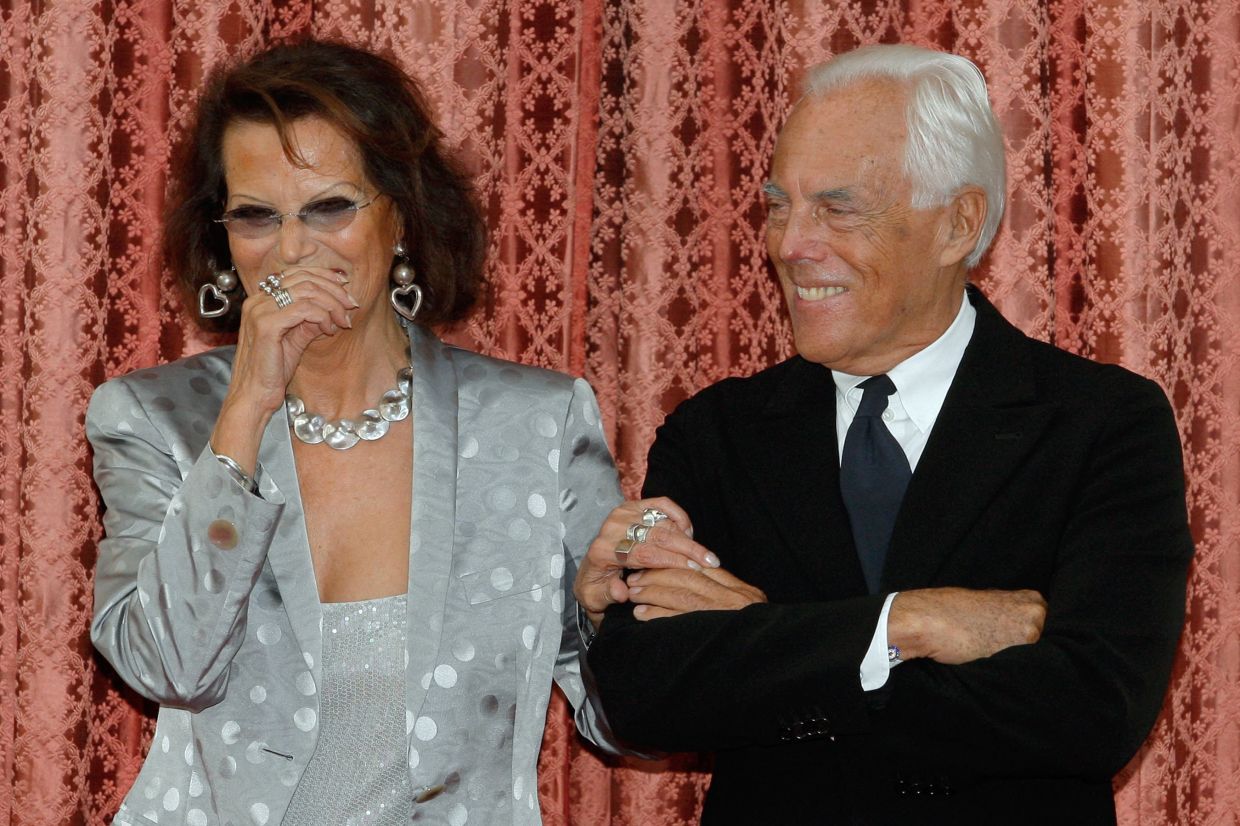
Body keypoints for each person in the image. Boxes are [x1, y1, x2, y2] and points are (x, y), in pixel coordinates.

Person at [574, 44, 1193, 824]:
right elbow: (649, 692)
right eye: (777, 204)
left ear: (957, 224)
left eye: (838, 208)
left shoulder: (1102, 423)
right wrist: (908, 624)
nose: (790, 244)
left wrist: (764, 639)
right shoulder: (717, 432)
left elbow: (1093, 710)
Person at [87, 40, 621, 826]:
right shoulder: (152, 419)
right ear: (224, 240)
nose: (294, 249)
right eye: (257, 216)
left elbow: (622, 718)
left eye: (331, 208)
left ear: (399, 213)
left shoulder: (536, 424)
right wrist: (244, 410)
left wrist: (614, 614)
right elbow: (169, 668)